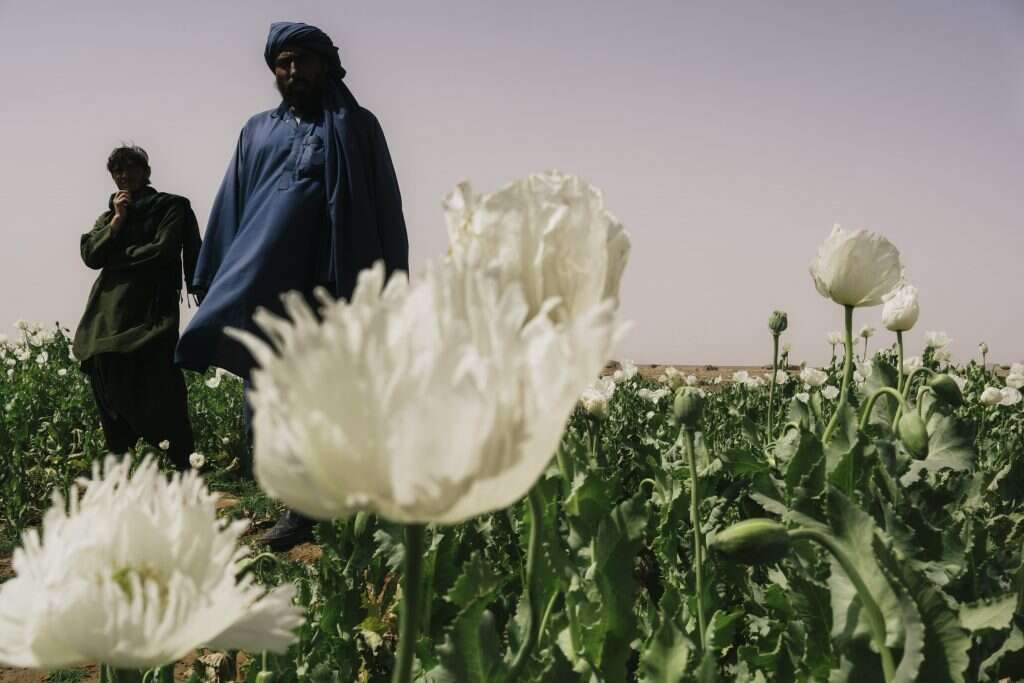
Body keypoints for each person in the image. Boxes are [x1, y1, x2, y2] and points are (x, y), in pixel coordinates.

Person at [176, 22, 409, 550]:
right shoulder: (256, 130)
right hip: (268, 289)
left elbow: (385, 208)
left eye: (303, 60)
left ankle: (323, 508)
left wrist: (391, 280)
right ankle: (298, 504)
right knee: (271, 397)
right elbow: (232, 202)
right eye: (283, 62)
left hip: (334, 287)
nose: (293, 70)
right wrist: (213, 276)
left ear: (326, 64)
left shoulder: (358, 127)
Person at [74, 145, 202, 471]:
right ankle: (122, 463)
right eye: (117, 171)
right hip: (107, 312)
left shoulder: (171, 207)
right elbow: (90, 254)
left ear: (146, 171)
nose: (124, 175)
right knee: (106, 372)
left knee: (159, 380)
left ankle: (183, 462)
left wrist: (117, 258)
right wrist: (117, 222)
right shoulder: (110, 216)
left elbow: (163, 250)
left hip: (151, 310)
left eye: (131, 168)